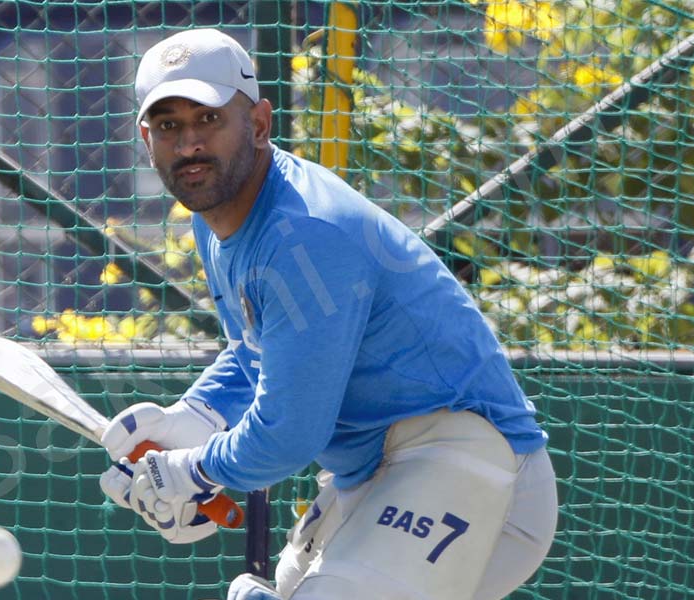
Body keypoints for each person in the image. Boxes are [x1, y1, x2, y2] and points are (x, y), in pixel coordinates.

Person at [98, 28, 558, 600]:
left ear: (260, 124)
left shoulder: (305, 235)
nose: (189, 143)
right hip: (373, 475)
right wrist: (194, 418)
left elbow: (290, 436)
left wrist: (193, 471)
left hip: (475, 465)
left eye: (209, 119)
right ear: (147, 139)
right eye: (169, 125)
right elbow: (262, 348)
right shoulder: (214, 209)